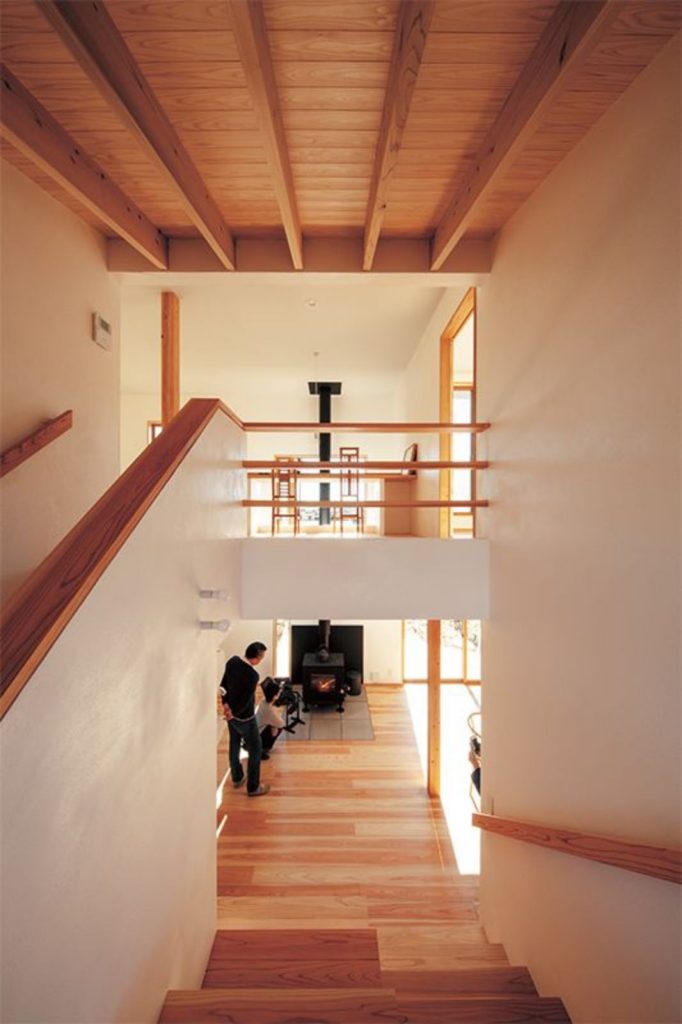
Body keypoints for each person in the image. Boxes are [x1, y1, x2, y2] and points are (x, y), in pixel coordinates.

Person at [220, 641, 270, 797]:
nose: (261, 660)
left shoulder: (232, 661)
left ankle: (237, 778)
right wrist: (233, 713)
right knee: (255, 749)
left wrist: (226, 705)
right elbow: (245, 701)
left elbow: (223, 685)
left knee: (234, 744)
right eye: (261, 657)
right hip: (245, 718)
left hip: (231, 714)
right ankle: (253, 787)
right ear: (256, 658)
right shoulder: (252, 676)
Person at [256, 678, 285, 759]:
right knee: (278, 727)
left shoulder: (264, 701)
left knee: (273, 725)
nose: (280, 693)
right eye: (279, 692)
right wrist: (274, 726)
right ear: (274, 696)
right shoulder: (268, 711)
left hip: (253, 732)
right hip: (256, 737)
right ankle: (261, 748)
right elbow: (281, 724)